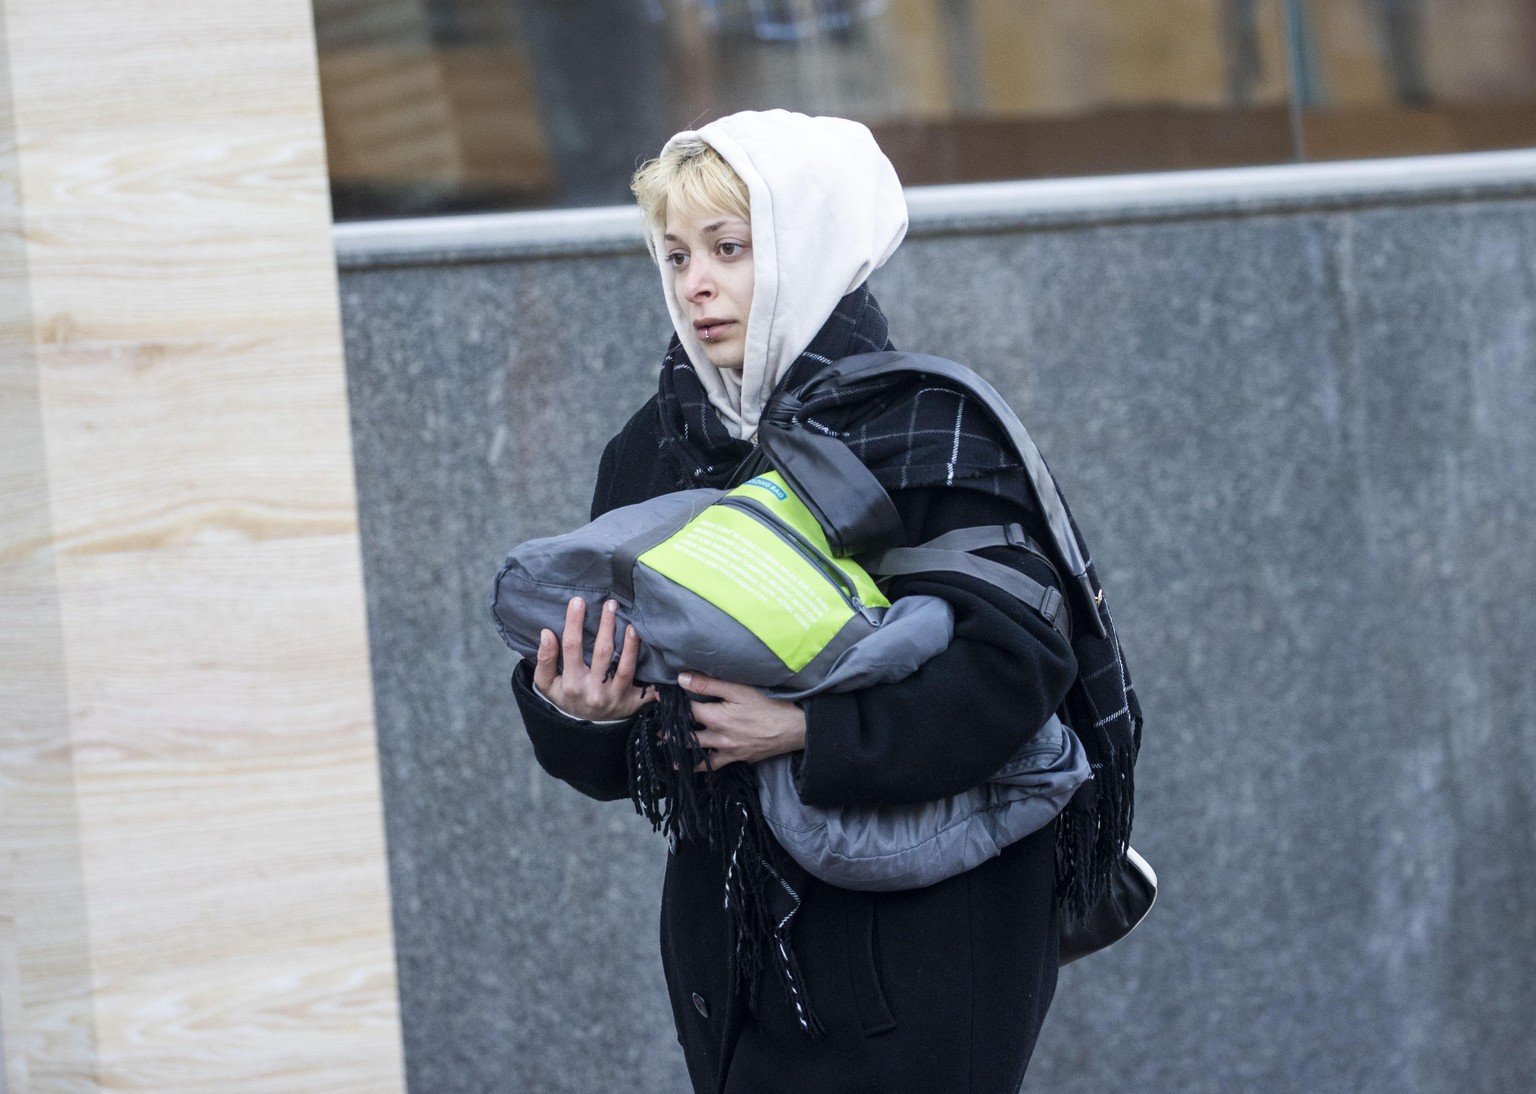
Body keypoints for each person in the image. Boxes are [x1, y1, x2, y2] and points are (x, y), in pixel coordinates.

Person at [511, 110, 1080, 1094]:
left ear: (808, 243)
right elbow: (627, 731)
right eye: (677, 252)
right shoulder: (652, 449)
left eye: (730, 248)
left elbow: (1016, 668)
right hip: (734, 947)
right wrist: (578, 706)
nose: (696, 282)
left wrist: (806, 727)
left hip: (927, 931)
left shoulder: (925, 425)